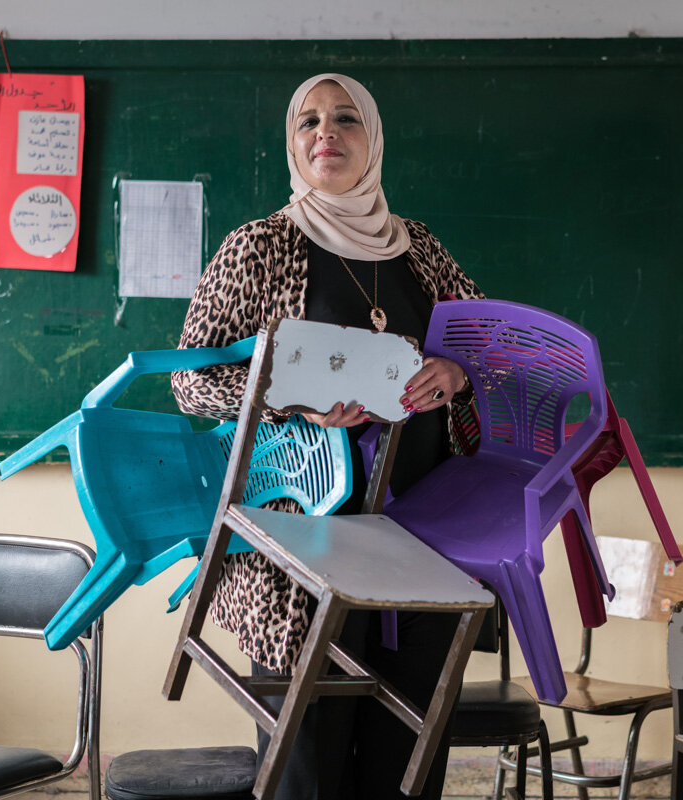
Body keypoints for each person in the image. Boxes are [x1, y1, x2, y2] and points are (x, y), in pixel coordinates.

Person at [172, 73, 483, 800]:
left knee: (406, 760)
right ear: (293, 143)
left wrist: (455, 374)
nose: (326, 133)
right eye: (309, 121)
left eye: (346, 120)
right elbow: (191, 382)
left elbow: (486, 347)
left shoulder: (421, 249)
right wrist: (290, 404)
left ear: (373, 141)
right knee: (306, 761)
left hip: (420, 544)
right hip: (302, 553)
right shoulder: (259, 247)